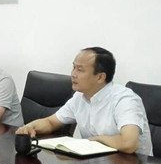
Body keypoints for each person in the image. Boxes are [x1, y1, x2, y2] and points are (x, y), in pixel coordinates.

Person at [16, 47, 152, 155]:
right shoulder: (79, 97)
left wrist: (97, 140)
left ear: (100, 77)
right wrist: (30, 127)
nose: (73, 74)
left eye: (80, 70)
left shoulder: (124, 100)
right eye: (73, 67)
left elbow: (129, 143)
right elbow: (51, 122)